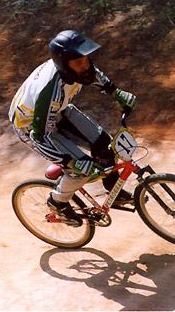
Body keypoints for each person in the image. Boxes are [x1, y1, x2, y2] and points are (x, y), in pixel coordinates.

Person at [9, 30, 137, 226]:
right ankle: (57, 202)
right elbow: (39, 136)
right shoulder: (50, 91)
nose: (84, 65)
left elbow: (95, 74)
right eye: (78, 62)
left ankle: (114, 191)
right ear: (63, 64)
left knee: (104, 144)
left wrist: (116, 92)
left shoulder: (78, 68)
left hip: (57, 111)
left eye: (85, 59)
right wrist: (69, 162)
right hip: (31, 126)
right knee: (80, 170)